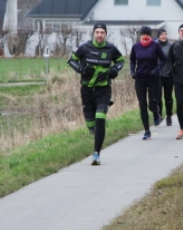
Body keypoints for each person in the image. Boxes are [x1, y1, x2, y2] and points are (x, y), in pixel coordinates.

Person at [67, 22, 125, 165]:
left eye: (102, 33)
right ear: (93, 33)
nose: (99, 35)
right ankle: (95, 127)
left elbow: (120, 60)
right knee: (91, 124)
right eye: (97, 32)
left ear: (106, 34)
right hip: (87, 89)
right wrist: (82, 70)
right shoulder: (85, 47)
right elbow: (72, 61)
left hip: (103, 89)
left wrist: (115, 70)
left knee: (100, 119)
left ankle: (96, 154)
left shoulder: (111, 48)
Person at [130, 26, 166, 140]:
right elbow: (131, 60)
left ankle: (156, 113)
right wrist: (132, 71)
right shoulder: (136, 47)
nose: (145, 37)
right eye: (143, 34)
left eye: (147, 35)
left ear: (150, 36)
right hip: (140, 78)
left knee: (152, 104)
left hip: (153, 78)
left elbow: (163, 59)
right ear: (140, 36)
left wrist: (156, 69)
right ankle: (147, 130)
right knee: (142, 105)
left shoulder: (155, 46)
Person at [156, 28, 174, 126]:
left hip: (168, 74)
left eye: (165, 34)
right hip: (157, 75)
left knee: (168, 97)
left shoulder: (171, 45)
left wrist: (172, 70)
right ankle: (159, 115)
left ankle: (169, 116)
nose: (164, 36)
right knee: (158, 97)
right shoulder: (154, 46)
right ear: (158, 36)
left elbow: (173, 59)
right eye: (162, 34)